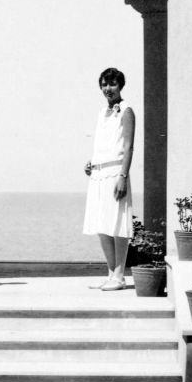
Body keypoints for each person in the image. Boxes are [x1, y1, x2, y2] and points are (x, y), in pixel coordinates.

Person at [83, 67, 135, 290]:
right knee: (102, 224)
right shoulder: (102, 112)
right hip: (99, 174)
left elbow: (128, 146)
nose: (108, 88)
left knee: (117, 223)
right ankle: (111, 272)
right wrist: (92, 162)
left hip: (116, 173)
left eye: (112, 84)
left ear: (120, 86)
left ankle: (120, 275)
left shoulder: (126, 110)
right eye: (104, 84)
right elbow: (104, 143)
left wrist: (123, 176)